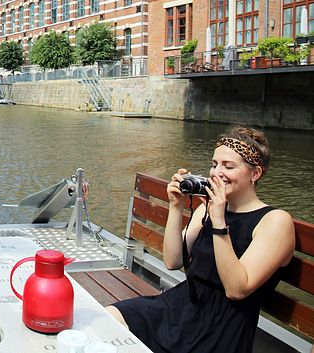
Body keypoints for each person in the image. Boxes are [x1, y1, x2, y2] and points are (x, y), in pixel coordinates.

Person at [106, 126, 295, 353]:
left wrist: (218, 221)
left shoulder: (275, 221)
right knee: (109, 319)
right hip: (182, 305)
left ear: (255, 174)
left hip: (223, 326)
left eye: (229, 166)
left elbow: (237, 289)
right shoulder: (206, 209)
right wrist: (176, 207)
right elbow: (172, 261)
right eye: (215, 164)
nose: (216, 173)